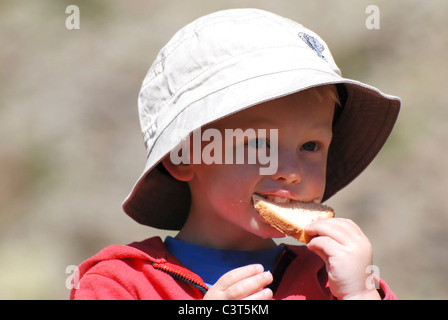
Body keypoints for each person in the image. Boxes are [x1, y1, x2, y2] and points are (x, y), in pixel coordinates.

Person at [70, 8, 400, 300]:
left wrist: (361, 294)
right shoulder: (122, 284)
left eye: (310, 146)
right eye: (259, 143)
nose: (291, 171)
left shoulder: (332, 280)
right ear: (183, 156)